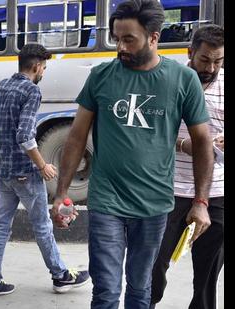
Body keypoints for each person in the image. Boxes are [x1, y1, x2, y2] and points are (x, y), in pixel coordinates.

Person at [52, 1, 214, 308]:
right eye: (116, 38)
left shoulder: (183, 80)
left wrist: (201, 202)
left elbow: (203, 143)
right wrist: (61, 192)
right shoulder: (101, 76)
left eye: (129, 39)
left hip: (154, 205)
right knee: (106, 292)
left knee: (141, 291)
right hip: (106, 202)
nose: (120, 47)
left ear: (154, 38)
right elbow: (76, 137)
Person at [0, 43, 90, 299]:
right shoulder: (31, 91)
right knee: (42, 225)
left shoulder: (2, 86)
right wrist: (43, 165)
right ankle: (61, 276)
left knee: (1, 226)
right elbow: (25, 136)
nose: (44, 72)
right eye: (44, 68)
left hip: (4, 170)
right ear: (36, 66)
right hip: (25, 172)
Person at [150, 24, 224, 309]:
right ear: (190, 52)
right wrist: (183, 145)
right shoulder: (167, 82)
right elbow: (148, 134)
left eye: (218, 61)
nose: (211, 67)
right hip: (168, 189)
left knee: (207, 275)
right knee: (154, 268)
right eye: (205, 60)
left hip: (216, 191)